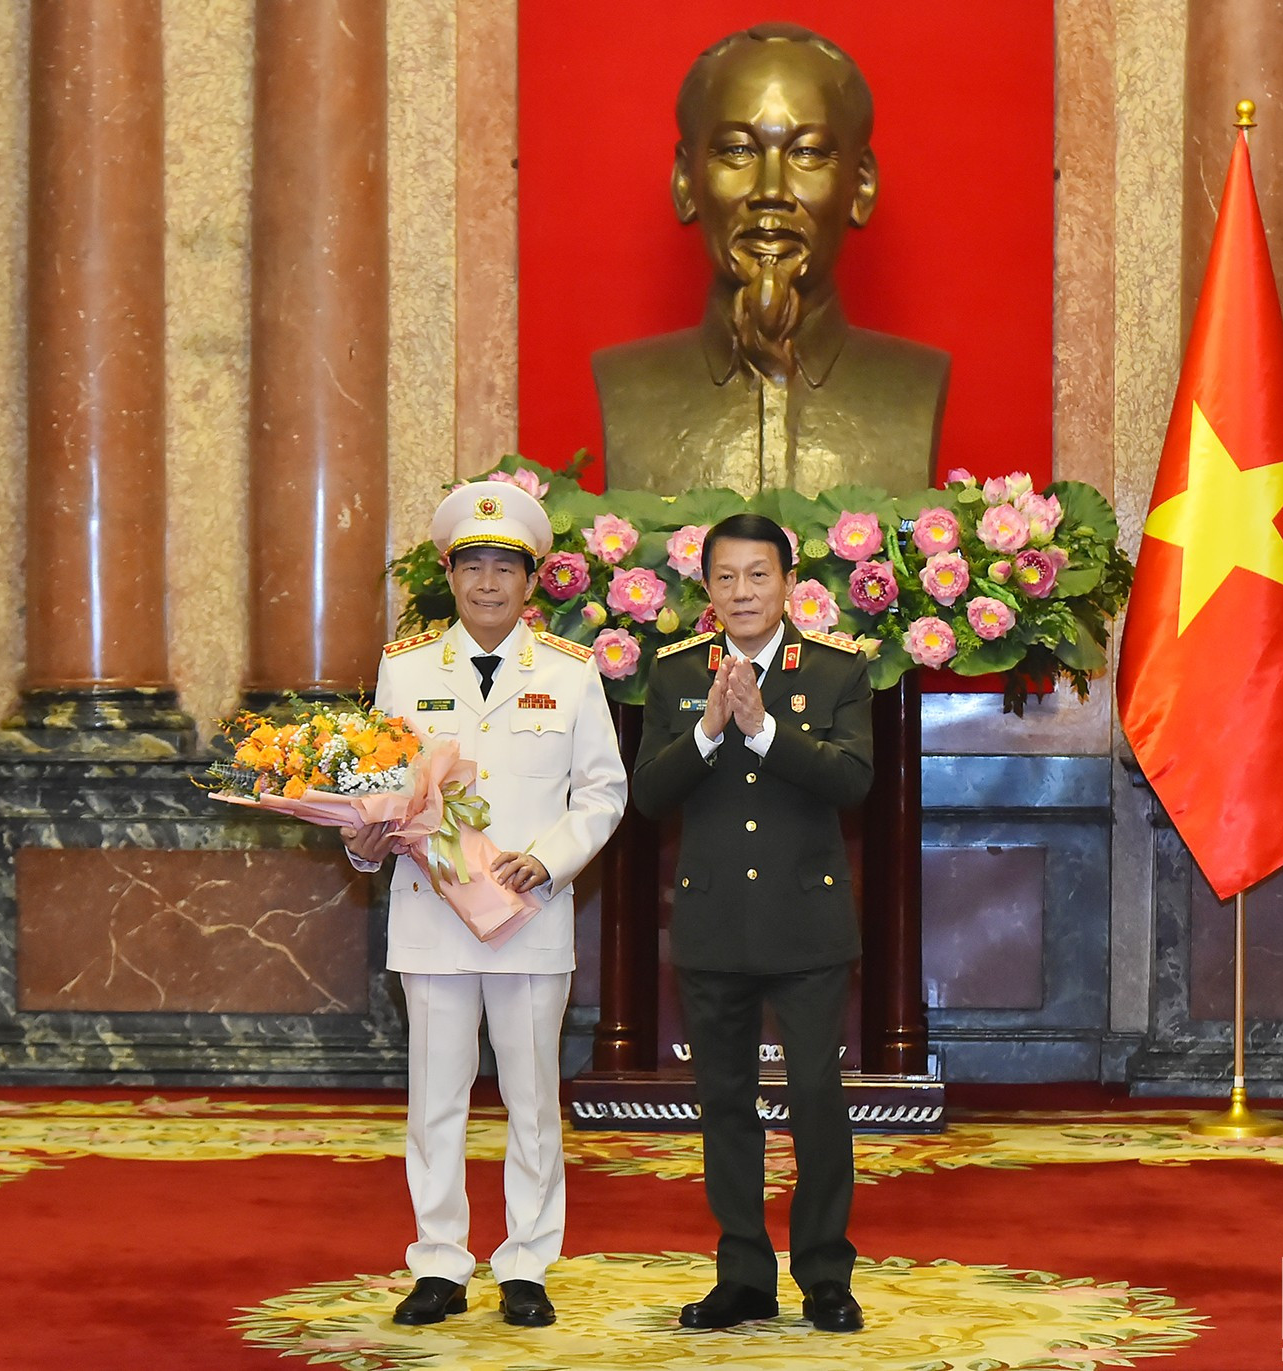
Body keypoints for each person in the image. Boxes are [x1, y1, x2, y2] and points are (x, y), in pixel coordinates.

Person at [342, 481, 627, 1329]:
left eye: (506, 567)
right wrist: (361, 841)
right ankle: (439, 1261)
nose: (489, 583)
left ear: (532, 581)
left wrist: (549, 859)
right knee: (436, 1097)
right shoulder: (405, 669)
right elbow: (376, 789)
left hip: (528, 917)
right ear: (450, 575)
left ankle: (527, 1264)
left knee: (532, 1099)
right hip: (433, 915)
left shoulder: (571, 673)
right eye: (473, 566)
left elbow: (603, 792)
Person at [631, 512, 874, 1332]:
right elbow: (648, 794)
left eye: (758, 575)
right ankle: (742, 1274)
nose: (743, 592)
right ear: (706, 587)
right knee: (724, 1102)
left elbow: (853, 781)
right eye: (727, 577)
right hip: (713, 921)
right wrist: (707, 730)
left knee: (816, 1099)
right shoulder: (675, 673)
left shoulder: (836, 669)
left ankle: (825, 1275)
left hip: (807, 923)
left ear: (789, 582)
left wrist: (765, 729)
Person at [593, 22, 947, 498]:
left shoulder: (915, 388)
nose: (771, 191)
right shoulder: (629, 388)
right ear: (685, 182)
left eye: (808, 153)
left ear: (861, 186)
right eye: (738, 151)